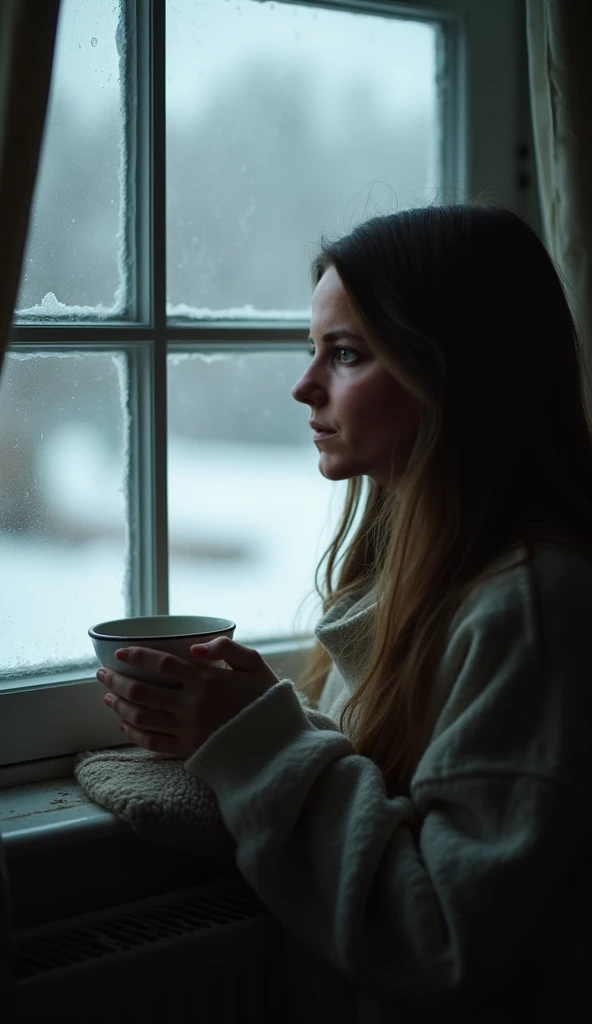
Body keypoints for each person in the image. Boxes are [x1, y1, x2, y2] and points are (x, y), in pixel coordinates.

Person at [96, 203, 592, 1021]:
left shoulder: (533, 608)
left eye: (347, 354)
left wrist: (256, 741)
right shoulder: (408, 583)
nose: (304, 386)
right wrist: (251, 717)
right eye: (311, 351)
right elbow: (383, 799)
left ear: (457, 371)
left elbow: (444, 940)